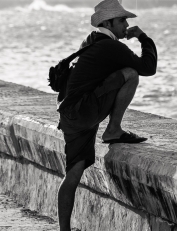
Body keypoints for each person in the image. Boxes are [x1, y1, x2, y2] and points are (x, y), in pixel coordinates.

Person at [57, 0, 157, 230]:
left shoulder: (91, 41)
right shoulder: (111, 47)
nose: (126, 25)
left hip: (70, 115)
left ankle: (64, 230)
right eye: (122, 20)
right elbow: (147, 67)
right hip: (84, 111)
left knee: (72, 174)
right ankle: (113, 130)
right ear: (108, 23)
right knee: (131, 73)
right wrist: (143, 37)